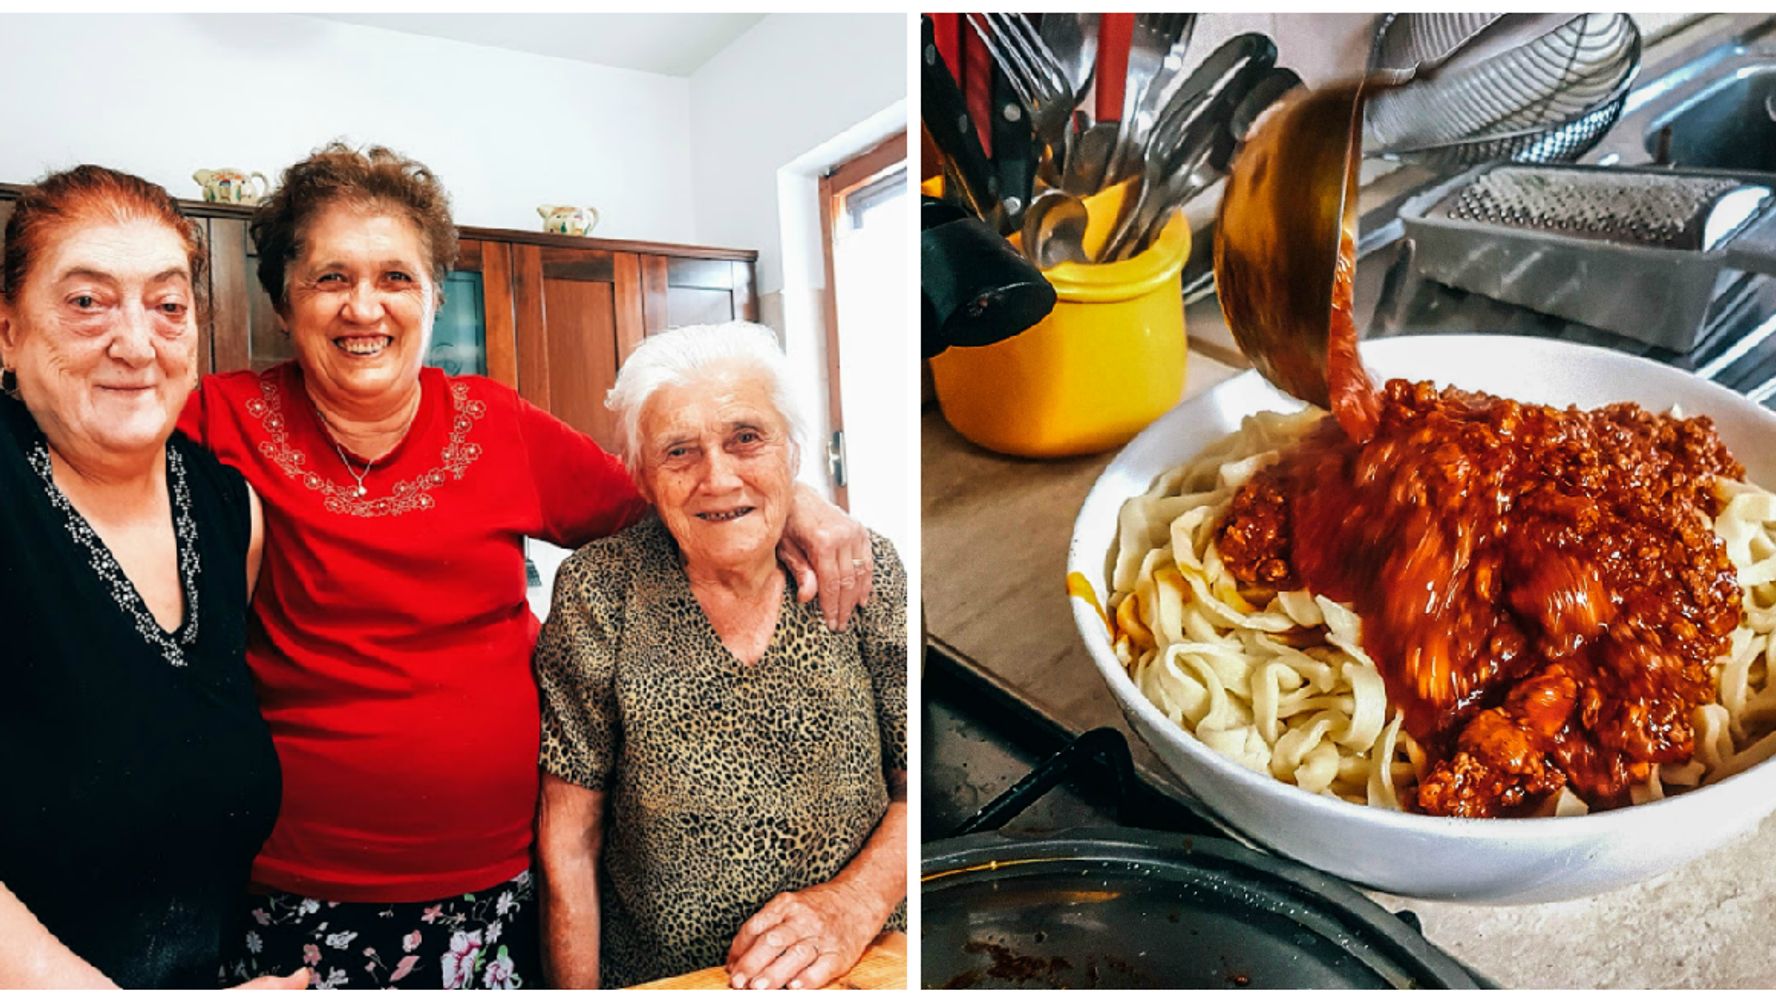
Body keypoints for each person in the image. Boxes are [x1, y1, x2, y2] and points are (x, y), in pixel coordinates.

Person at [178, 144, 875, 990]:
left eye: (396, 277)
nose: (365, 306)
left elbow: (676, 495)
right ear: (285, 301)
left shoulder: (495, 423)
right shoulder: (217, 417)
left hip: (497, 884)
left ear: (434, 296)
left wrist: (794, 493)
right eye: (331, 277)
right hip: (294, 884)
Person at [534, 322, 907, 989]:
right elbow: (570, 840)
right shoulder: (601, 591)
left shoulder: (862, 568)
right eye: (679, 452)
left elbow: (917, 786)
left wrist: (853, 905)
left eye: (746, 438)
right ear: (643, 480)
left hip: (860, 964)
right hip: (668, 980)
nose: (718, 476)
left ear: (791, 451)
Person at [0, 166, 301, 989]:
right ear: (7, 331)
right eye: (88, 301)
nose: (137, 343)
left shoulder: (229, 509)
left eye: (168, 305)